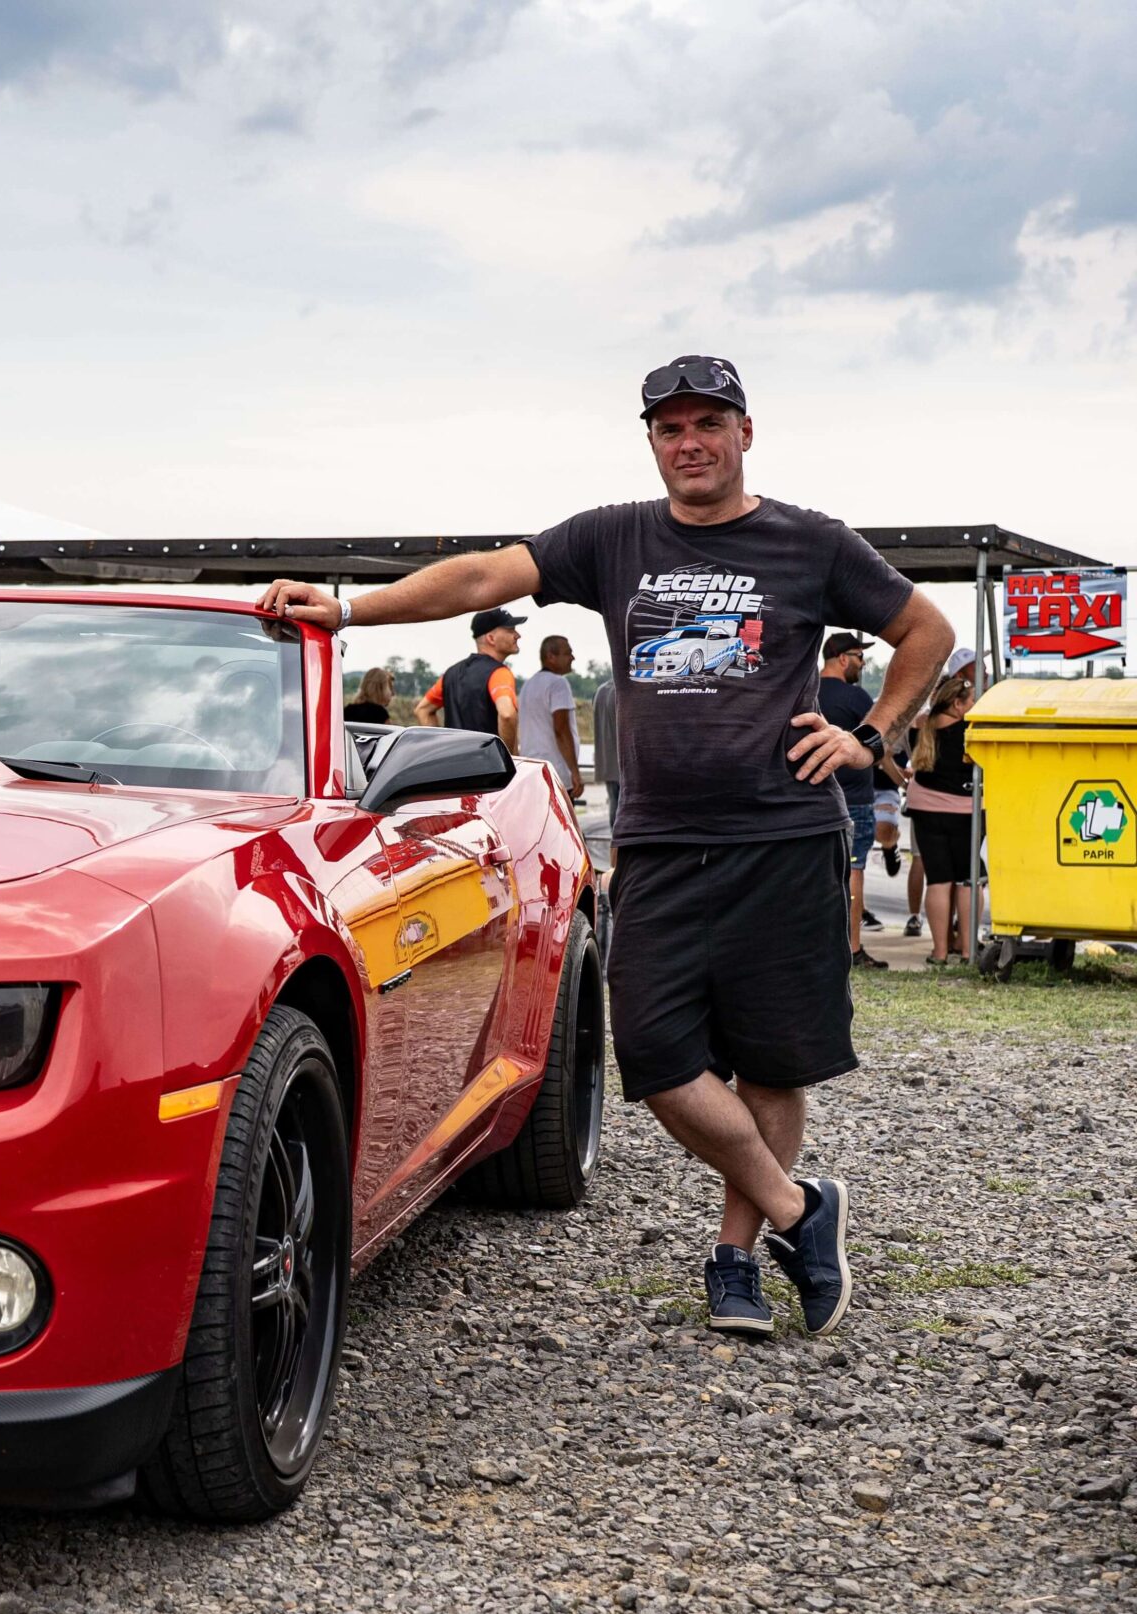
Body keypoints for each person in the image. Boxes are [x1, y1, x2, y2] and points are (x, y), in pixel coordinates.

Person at [255, 354, 954, 1341]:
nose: (690, 442)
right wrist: (347, 610)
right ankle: (801, 1209)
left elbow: (925, 627)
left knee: (770, 1064)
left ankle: (736, 1257)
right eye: (670, 428)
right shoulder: (613, 537)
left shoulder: (810, 542)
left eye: (707, 423)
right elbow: (483, 574)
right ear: (652, 441)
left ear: (745, 432)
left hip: (781, 838)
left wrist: (870, 736)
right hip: (661, 842)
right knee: (655, 1055)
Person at [817, 633, 889, 968]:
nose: (863, 663)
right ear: (843, 659)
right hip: (855, 800)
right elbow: (879, 740)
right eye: (860, 657)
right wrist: (900, 778)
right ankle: (853, 947)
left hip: (814, 795)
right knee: (854, 870)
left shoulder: (805, 691)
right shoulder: (856, 697)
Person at [905, 671, 979, 966]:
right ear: (958, 704)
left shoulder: (920, 727)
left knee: (938, 880)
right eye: (971, 701)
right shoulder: (970, 732)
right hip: (964, 812)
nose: (974, 706)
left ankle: (939, 952)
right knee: (968, 879)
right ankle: (967, 949)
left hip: (924, 809)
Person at [417, 609, 523, 747]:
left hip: (454, 758)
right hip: (487, 759)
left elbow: (423, 710)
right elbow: (507, 714)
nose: (517, 635)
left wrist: (438, 747)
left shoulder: (451, 674)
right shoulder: (499, 673)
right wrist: (508, 756)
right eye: (510, 630)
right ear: (491, 638)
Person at [515, 636, 584, 800]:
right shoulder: (558, 683)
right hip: (555, 772)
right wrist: (575, 772)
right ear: (551, 657)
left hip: (531, 770)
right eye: (567, 653)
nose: (572, 658)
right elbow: (561, 730)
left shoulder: (527, 686)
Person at [591, 675, 621, 857]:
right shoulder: (623, 691)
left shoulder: (600, 691)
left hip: (607, 762)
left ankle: (614, 860)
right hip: (624, 766)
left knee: (614, 812)